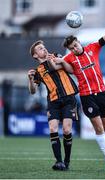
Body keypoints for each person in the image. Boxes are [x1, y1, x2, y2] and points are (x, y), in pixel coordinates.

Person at [54, 18, 105, 172]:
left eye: (75, 46)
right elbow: (60, 65)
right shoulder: (69, 58)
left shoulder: (93, 47)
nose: (74, 49)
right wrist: (55, 59)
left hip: (101, 92)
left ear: (79, 42)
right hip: (87, 96)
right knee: (98, 127)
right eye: (71, 48)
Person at [28, 40, 78, 171]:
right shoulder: (37, 71)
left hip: (68, 97)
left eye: (44, 47)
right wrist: (30, 80)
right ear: (35, 55)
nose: (44, 49)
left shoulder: (56, 56)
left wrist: (53, 59)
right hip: (53, 101)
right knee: (52, 128)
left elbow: (63, 67)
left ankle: (66, 161)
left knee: (67, 130)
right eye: (40, 48)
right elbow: (33, 91)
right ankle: (59, 161)